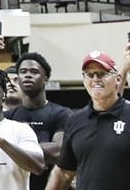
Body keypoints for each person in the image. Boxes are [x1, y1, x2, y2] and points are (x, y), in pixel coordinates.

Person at [46, 50, 130, 190]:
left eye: (102, 74)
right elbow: (64, 172)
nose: (95, 79)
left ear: (118, 79)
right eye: (90, 75)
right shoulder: (75, 121)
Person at [3, 55, 68, 190]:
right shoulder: (7, 117)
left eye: (34, 72)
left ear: (45, 79)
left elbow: (59, 151)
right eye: (23, 72)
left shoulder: (61, 113)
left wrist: (13, 149)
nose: (27, 75)